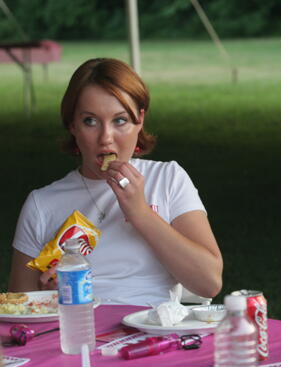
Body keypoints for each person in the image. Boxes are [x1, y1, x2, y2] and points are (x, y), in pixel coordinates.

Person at [8, 58, 223, 306]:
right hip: (80, 332)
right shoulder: (42, 203)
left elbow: (209, 283)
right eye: (90, 121)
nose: (106, 138)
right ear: (72, 125)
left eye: (120, 120)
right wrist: (50, 295)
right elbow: (19, 312)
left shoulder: (167, 179)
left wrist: (140, 213)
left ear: (139, 120)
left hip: (155, 330)